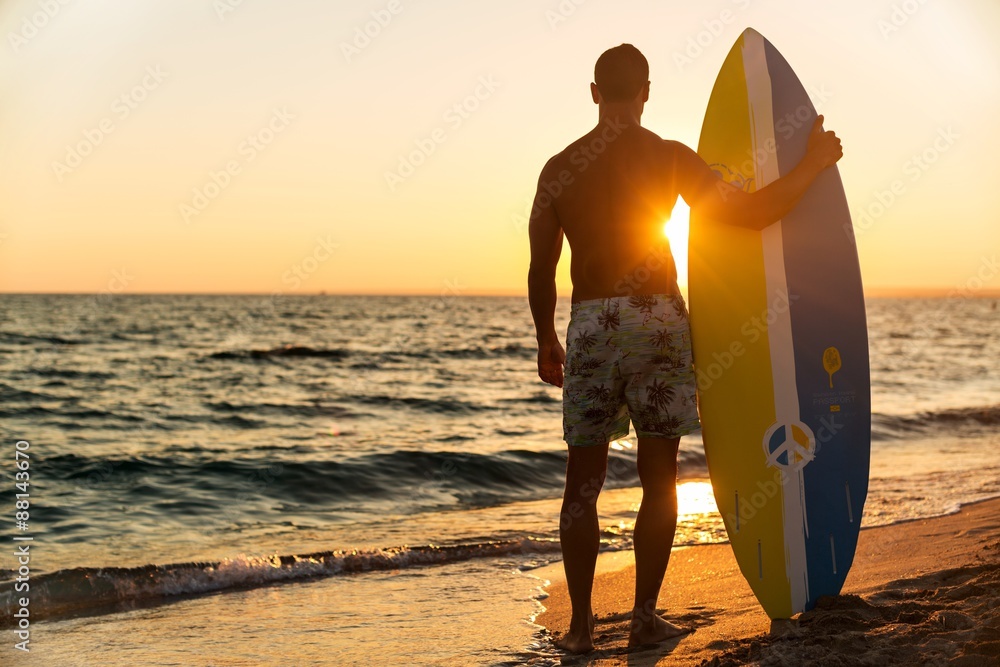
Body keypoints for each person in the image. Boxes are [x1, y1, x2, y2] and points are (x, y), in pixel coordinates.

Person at [527, 43, 843, 653]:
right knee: (660, 479)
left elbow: (542, 269)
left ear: (594, 93)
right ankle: (644, 616)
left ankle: (580, 627)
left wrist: (546, 336)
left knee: (582, 484)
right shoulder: (668, 158)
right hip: (661, 323)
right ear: (646, 92)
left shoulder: (558, 168)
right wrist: (812, 163)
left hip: (591, 325)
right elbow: (752, 214)